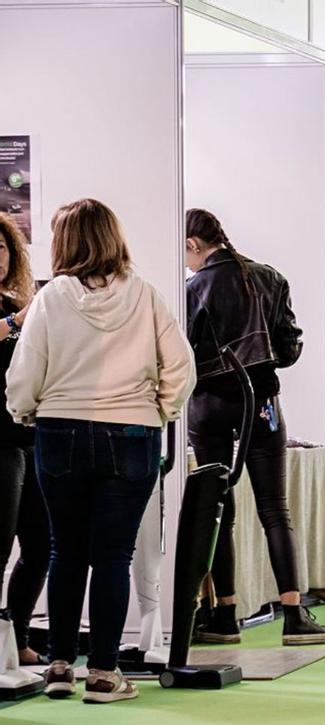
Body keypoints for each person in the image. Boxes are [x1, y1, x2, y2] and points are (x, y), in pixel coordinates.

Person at [7, 198, 195, 703]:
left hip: (59, 432)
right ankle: (106, 673)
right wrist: (161, 410)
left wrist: (25, 411)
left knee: (64, 552)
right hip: (132, 432)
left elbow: (25, 373)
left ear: (64, 242)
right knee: (113, 555)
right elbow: (181, 366)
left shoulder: (50, 300)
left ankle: (61, 665)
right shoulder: (147, 296)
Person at [184, 209, 325, 646]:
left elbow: (186, 354)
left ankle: (225, 616)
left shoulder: (193, 288)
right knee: (275, 510)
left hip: (209, 406)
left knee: (220, 511)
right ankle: (293, 613)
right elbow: (289, 349)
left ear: (193, 245)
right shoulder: (269, 277)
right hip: (263, 404)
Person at [0, 214, 48, 667]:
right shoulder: (15, 314)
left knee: (40, 543)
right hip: (1, 445)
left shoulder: (15, 303)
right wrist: (19, 319)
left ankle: (15, 637)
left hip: (29, 437)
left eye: (1, 247)